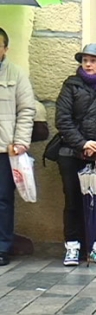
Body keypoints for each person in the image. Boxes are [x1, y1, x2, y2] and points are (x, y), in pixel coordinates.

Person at [55, 44, 96, 266]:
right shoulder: (70, 86)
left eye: (93, 60)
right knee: (73, 200)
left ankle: (95, 244)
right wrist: (83, 143)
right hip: (71, 152)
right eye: (85, 60)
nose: (88, 64)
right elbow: (62, 119)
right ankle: (73, 246)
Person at [0, 28, 36, 267]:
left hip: (4, 150)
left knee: (3, 200)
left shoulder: (15, 74)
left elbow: (26, 110)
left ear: (5, 49)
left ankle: (2, 247)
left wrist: (21, 141)